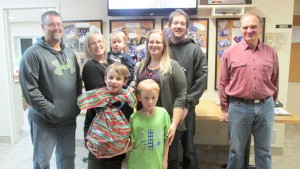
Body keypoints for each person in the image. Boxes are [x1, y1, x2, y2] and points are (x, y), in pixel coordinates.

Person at [18, 11, 82, 169]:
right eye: (51, 24)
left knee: (67, 158)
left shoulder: (69, 53)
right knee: (42, 161)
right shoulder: (32, 54)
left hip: (68, 120)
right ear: (42, 27)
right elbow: (30, 90)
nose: (56, 28)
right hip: (45, 121)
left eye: (59, 24)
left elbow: (77, 81)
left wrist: (76, 104)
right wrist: (51, 110)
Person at [218, 12, 279, 169]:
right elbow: (223, 83)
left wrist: (271, 103)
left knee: (264, 151)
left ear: (260, 28)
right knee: (236, 151)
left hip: (266, 107)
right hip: (238, 107)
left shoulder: (271, 52)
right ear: (241, 29)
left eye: (253, 26)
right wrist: (225, 109)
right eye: (245, 27)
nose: (249, 30)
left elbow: (275, 80)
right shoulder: (229, 53)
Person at [135, 29, 187, 169]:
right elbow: (136, 92)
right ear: (147, 45)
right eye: (151, 42)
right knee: (149, 159)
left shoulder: (172, 66)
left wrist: (174, 124)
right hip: (146, 122)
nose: (154, 45)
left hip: (166, 122)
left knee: (169, 161)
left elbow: (181, 95)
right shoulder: (142, 66)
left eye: (158, 42)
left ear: (164, 45)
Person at [82, 32, 133, 169]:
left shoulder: (110, 63)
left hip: (117, 128)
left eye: (100, 41)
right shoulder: (90, 67)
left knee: (115, 163)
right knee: (99, 160)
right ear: (88, 47)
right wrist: (125, 92)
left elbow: (124, 83)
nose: (98, 45)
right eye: (93, 43)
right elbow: (104, 97)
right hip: (100, 126)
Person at [168, 9, 208, 169]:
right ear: (169, 25)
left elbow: (201, 80)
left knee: (188, 149)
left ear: (187, 27)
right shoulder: (163, 48)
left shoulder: (195, 50)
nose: (178, 26)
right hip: (165, 108)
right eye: (175, 23)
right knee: (167, 148)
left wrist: (187, 105)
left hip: (187, 110)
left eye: (182, 23)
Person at [101, 79, 171, 169]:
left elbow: (167, 139)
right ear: (139, 97)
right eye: (146, 98)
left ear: (158, 96)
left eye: (153, 97)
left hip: (156, 163)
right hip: (136, 164)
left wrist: (164, 160)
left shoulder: (163, 114)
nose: (150, 101)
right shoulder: (134, 118)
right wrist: (111, 154)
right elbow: (131, 144)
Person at [78, 62, 136, 159]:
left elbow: (130, 124)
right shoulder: (96, 98)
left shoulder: (127, 101)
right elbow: (88, 123)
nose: (114, 81)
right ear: (105, 79)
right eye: (111, 77)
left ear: (125, 81)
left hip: (118, 152)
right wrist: (87, 144)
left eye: (118, 78)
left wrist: (124, 148)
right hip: (96, 151)